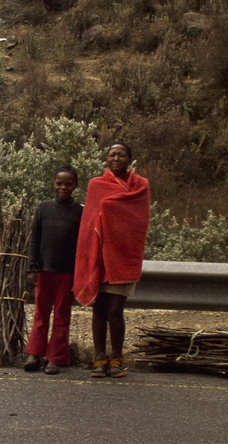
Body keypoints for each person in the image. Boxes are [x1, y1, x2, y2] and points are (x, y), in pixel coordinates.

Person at [74, 143, 151, 378]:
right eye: (112, 155)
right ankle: (99, 357)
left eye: (122, 155)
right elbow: (89, 223)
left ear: (130, 159)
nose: (116, 158)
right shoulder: (96, 185)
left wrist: (112, 210)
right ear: (106, 159)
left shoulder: (141, 185)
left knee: (116, 310)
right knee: (99, 307)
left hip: (123, 256)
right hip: (99, 256)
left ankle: (117, 357)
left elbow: (140, 221)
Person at [23, 166, 84, 375]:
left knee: (61, 315)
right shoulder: (43, 208)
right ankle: (35, 354)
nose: (63, 187)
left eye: (68, 184)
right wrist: (32, 267)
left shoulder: (80, 212)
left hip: (67, 273)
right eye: (59, 183)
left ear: (75, 185)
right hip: (44, 270)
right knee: (40, 313)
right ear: (53, 183)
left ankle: (55, 358)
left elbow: (82, 245)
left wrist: (80, 273)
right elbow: (34, 240)